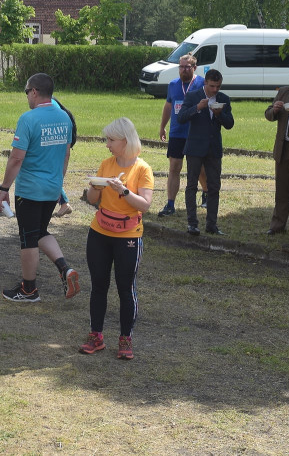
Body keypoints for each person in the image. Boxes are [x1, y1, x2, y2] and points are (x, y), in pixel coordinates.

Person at [0, 73, 80, 302]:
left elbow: (16, 158)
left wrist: (4, 188)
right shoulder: (64, 118)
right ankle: (65, 269)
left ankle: (29, 289)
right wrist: (58, 182)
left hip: (30, 189)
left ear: (34, 91)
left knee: (28, 238)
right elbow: (66, 153)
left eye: (26, 92)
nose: (26, 97)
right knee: (40, 232)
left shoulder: (28, 119)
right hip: (52, 188)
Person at [79, 117, 153, 361]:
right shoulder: (106, 164)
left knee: (125, 287)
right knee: (99, 285)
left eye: (111, 140)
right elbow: (92, 200)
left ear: (125, 140)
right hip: (99, 232)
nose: (107, 144)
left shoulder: (142, 169)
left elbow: (145, 205)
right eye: (107, 139)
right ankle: (96, 335)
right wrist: (97, 187)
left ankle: (125, 338)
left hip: (128, 237)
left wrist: (123, 191)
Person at [178, 68, 234, 236]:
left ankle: (212, 224)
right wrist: (197, 107)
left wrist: (219, 114)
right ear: (205, 83)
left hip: (213, 148)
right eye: (212, 86)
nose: (215, 90)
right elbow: (181, 118)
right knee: (192, 185)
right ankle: (192, 224)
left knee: (214, 186)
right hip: (195, 147)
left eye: (218, 86)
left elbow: (230, 124)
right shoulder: (193, 96)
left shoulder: (224, 99)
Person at [157, 53, 207, 217]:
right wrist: (163, 126)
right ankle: (170, 203)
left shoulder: (201, 83)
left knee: (199, 169)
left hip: (195, 132)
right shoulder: (173, 85)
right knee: (174, 168)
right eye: (181, 66)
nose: (183, 70)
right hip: (177, 132)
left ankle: (206, 193)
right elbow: (168, 106)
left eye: (187, 67)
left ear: (194, 68)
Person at [264, 68, 289, 235]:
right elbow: (268, 114)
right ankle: (277, 225)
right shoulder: (283, 92)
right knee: (281, 190)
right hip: (283, 147)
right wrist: (274, 109)